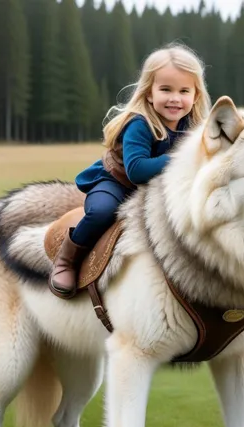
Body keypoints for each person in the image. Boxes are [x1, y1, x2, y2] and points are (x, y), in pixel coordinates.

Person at [49, 43, 211, 299]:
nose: (175, 98)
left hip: (157, 191)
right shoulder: (140, 124)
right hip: (117, 182)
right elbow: (136, 170)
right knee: (101, 212)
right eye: (165, 89)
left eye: (184, 91)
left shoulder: (193, 128)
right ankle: (67, 259)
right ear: (149, 93)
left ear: (195, 96)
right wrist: (182, 158)